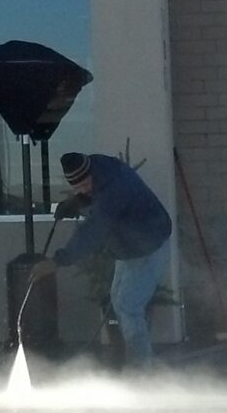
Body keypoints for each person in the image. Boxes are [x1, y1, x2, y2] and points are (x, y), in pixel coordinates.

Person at [31, 151, 174, 369]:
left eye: (84, 184)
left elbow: (93, 231)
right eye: (77, 187)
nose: (83, 190)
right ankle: (139, 364)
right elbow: (92, 193)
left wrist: (57, 261)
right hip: (128, 249)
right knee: (118, 300)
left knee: (128, 306)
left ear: (91, 174)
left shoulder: (114, 189)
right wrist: (77, 201)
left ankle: (142, 372)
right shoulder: (98, 169)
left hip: (148, 246)